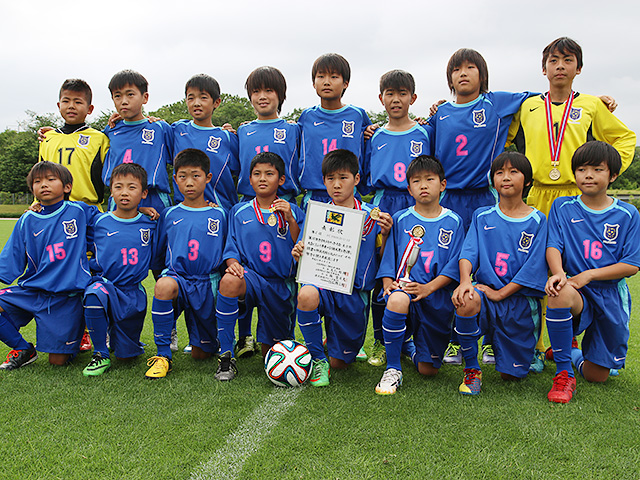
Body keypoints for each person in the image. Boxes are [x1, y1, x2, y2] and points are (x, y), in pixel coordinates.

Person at [506, 37, 636, 368]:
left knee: (575, 269)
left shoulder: (591, 105)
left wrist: (611, 171)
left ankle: (573, 342)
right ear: (543, 68)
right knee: (534, 270)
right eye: (553, 60)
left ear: (579, 68)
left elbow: (624, 137)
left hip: (576, 196)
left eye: (567, 60)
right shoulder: (527, 106)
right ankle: (534, 348)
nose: (560, 66)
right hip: (537, 195)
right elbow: (500, 138)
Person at [427, 48, 534, 368]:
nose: (463, 73)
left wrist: (596, 100)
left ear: (482, 74)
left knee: (490, 268)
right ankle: (455, 337)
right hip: (448, 199)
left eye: (470, 67)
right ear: (449, 78)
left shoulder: (496, 103)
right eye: (456, 69)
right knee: (449, 267)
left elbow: (544, 100)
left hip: (484, 198)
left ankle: (490, 340)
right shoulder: (440, 113)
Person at [544, 141, 640, 403]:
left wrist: (589, 275)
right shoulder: (562, 207)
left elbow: (631, 264)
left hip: (610, 294)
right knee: (559, 291)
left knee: (597, 376)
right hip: (576, 290)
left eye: (597, 169)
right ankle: (564, 373)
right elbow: (553, 245)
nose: (588, 175)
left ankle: (569, 353)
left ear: (613, 175)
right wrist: (558, 273)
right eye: (582, 169)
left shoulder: (628, 214)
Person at [293, 149, 392, 387]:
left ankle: (333, 343)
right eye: (330, 179)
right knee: (306, 294)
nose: (336, 185)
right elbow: (305, 253)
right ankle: (317, 358)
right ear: (323, 181)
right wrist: (298, 253)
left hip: (354, 294)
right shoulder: (317, 213)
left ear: (356, 179)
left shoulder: (373, 216)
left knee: (341, 363)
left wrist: (387, 234)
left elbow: (383, 258)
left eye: (343, 178)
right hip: (322, 285)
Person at [451, 152, 548, 395]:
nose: (506, 177)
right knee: (466, 298)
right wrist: (465, 281)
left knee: (512, 375)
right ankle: (472, 369)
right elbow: (468, 252)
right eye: (499, 172)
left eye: (514, 172)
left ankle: (532, 354)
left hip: (520, 302)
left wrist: (501, 293)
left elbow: (534, 268)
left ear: (527, 181)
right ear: (492, 180)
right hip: (485, 296)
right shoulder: (482, 215)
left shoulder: (538, 220)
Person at [375, 155, 463, 395]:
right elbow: (389, 256)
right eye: (416, 181)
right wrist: (387, 283)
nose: (423, 185)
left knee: (428, 369)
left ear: (442, 184)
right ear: (409, 189)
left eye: (429, 179)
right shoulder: (401, 219)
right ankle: (393, 368)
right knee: (396, 299)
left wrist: (429, 288)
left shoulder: (454, 221)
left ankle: (408, 347)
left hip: (436, 296)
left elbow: (455, 265)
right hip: (404, 290)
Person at [363, 69, 433, 368]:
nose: (396, 99)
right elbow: (365, 177)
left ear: (412, 98)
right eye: (390, 94)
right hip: (384, 205)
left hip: (416, 204)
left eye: (402, 93)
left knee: (415, 270)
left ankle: (412, 338)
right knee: (383, 272)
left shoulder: (424, 133)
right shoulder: (374, 135)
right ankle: (381, 340)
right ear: (381, 99)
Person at [216, 152, 304, 381]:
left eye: (269, 174)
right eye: (257, 174)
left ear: (281, 179)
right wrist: (233, 264)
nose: (262, 178)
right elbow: (231, 248)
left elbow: (303, 247)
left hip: (280, 284)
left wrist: (291, 220)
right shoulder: (238, 211)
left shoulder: (294, 211)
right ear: (250, 179)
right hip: (251, 277)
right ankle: (225, 357)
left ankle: (271, 340)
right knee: (229, 281)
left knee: (272, 356)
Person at [234, 66, 301, 357]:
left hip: (282, 205)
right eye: (256, 91)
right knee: (243, 271)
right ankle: (243, 336)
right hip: (250, 206)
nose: (262, 96)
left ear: (280, 95)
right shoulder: (242, 130)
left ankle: (281, 334)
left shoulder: (293, 129)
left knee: (282, 272)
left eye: (269, 90)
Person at [144, 148, 227, 379]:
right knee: (163, 286)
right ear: (175, 179)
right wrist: (164, 280)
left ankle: (207, 341)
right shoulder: (169, 214)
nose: (189, 182)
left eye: (195, 176)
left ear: (208, 178)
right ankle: (163, 355)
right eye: (183, 176)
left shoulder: (220, 215)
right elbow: (158, 255)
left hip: (207, 283)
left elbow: (224, 255)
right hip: (178, 278)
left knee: (202, 354)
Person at [0, 162, 92, 368]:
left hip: (65, 297)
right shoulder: (27, 219)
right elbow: (11, 257)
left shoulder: (79, 211)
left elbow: (111, 223)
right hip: (32, 292)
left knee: (57, 362)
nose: (44, 184)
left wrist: (140, 208)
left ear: (67, 187)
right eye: (37, 181)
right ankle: (23, 349)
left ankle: (75, 336)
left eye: (51, 179)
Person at [82, 163, 157, 376]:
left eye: (132, 187)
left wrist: (142, 210)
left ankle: (120, 340)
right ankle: (100, 353)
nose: (124, 192)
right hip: (105, 284)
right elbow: (67, 210)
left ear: (144, 193)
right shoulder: (98, 221)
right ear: (111, 191)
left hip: (132, 292)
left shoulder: (151, 223)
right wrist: (38, 206)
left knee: (127, 356)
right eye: (118, 187)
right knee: (94, 294)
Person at [298, 53, 372, 207]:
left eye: (333, 77)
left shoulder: (357, 115)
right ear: (313, 83)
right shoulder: (307, 116)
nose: (326, 82)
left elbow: (371, 143)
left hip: (348, 196)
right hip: (315, 196)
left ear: (345, 83)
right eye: (321, 76)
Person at [103, 69, 175, 213]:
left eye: (130, 94)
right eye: (117, 96)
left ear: (145, 97)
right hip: (119, 199)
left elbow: (181, 161)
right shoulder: (110, 130)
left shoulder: (160, 129)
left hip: (154, 198)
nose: (124, 101)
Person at [171, 74, 239, 212]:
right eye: (191, 98)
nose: (196, 103)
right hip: (184, 211)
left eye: (203, 97)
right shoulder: (177, 130)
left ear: (216, 102)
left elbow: (244, 172)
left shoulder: (227, 137)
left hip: (220, 211)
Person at [38, 78, 109, 210]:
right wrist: (36, 202)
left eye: (78, 102)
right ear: (59, 105)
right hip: (52, 209)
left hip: (88, 210)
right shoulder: (47, 138)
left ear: (90, 109)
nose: (71, 106)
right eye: (66, 101)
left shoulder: (100, 139)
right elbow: (40, 175)